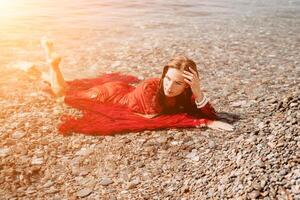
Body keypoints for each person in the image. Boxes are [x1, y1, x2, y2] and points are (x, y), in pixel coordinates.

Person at [40, 38, 234, 135]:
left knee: (63, 87)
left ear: (187, 85)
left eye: (178, 83)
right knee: (63, 93)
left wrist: (198, 92)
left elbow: (210, 113)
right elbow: (157, 120)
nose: (169, 86)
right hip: (108, 95)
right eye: (167, 78)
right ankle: (52, 65)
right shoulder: (151, 87)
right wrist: (202, 123)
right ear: (163, 74)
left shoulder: (188, 93)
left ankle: (42, 71)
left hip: (121, 90)